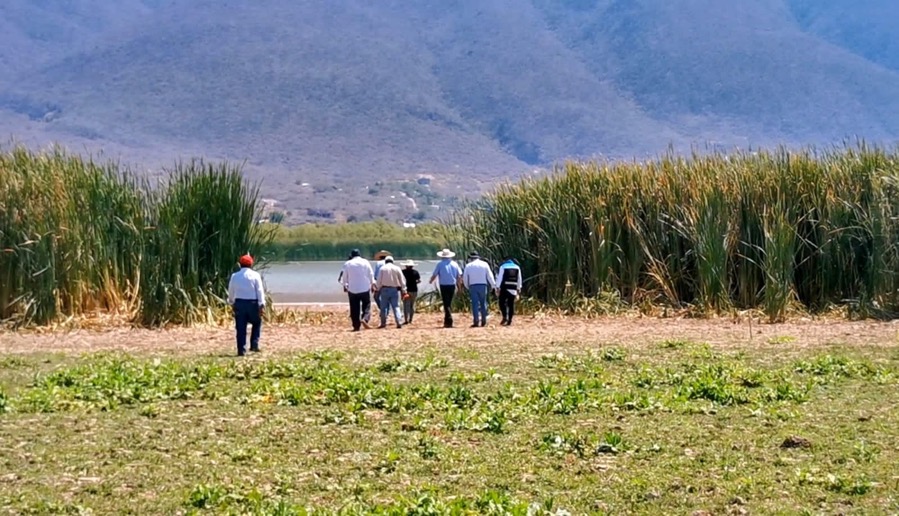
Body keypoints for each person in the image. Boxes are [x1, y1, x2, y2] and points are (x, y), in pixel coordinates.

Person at [228, 254, 266, 356]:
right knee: (257, 322)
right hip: (252, 303)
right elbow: (259, 291)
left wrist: (231, 302)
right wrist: (261, 304)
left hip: (239, 303)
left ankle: (241, 350)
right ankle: (254, 344)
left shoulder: (235, 276)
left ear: (240, 264)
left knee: (240, 327)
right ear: (251, 264)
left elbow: (231, 290)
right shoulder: (255, 275)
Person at [341, 249, 375, 331]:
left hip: (352, 289)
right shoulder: (365, 262)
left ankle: (356, 326)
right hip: (364, 288)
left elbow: (344, 276)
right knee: (366, 305)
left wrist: (345, 285)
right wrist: (372, 284)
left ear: (352, 255)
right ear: (360, 255)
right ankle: (365, 319)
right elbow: (371, 274)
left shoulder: (348, 263)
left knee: (354, 308)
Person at [429, 248, 463, 328]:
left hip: (443, 285)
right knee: (449, 302)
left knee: (446, 302)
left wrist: (431, 281)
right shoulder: (454, 264)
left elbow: (435, 274)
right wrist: (459, 287)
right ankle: (447, 320)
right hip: (452, 285)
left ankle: (448, 320)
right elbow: (459, 276)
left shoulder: (440, 264)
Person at [462, 251, 496, 327]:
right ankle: (484, 321)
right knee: (483, 303)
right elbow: (490, 276)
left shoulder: (468, 266)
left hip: (473, 285)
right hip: (483, 285)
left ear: (471, 258)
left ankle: (476, 321)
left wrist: (467, 286)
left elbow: (465, 278)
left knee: (475, 304)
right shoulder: (484, 264)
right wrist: (493, 285)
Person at [375, 256, 406, 328]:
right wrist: (404, 290)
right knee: (396, 306)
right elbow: (402, 280)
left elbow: (379, 280)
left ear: (385, 261)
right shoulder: (397, 268)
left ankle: (383, 323)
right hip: (394, 289)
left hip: (384, 289)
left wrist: (377, 289)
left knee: (383, 307)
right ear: (392, 261)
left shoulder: (382, 268)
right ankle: (399, 322)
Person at [495, 256, 523, 326]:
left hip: (504, 287)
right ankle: (510, 320)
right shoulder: (517, 267)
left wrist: (497, 287)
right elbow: (519, 278)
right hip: (513, 287)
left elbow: (500, 278)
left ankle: (505, 316)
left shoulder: (503, 267)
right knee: (511, 304)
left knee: (502, 302)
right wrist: (519, 288)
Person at [400, 260, 421, 324]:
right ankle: (410, 319)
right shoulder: (415, 272)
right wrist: (414, 283)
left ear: (406, 265)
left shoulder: (402, 272)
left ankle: (406, 320)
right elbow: (418, 280)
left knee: (406, 305)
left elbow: (400, 280)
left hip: (405, 290)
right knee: (412, 305)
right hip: (414, 290)